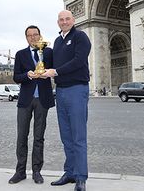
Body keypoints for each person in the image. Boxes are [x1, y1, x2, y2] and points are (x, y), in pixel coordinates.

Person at [43, 10, 91, 191]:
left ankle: (80, 177)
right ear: (57, 22)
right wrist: (38, 70)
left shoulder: (80, 37)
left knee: (78, 136)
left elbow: (79, 61)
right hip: (61, 91)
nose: (64, 22)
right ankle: (69, 172)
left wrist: (55, 72)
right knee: (66, 136)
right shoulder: (57, 41)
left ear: (73, 20)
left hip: (77, 89)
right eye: (61, 20)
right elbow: (52, 64)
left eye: (67, 19)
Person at [8, 25, 55, 185]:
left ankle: (37, 171)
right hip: (25, 101)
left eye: (36, 35)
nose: (33, 37)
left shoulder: (49, 52)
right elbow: (16, 77)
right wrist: (27, 75)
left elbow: (55, 70)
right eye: (30, 35)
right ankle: (20, 171)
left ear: (40, 36)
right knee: (21, 137)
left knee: (39, 137)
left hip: (43, 99)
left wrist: (47, 71)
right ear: (26, 38)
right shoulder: (20, 54)